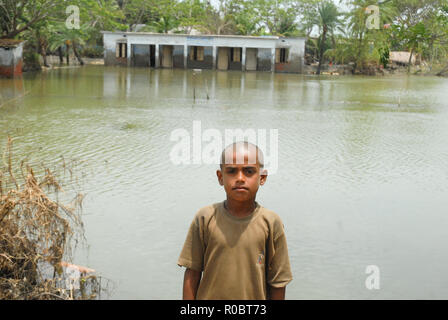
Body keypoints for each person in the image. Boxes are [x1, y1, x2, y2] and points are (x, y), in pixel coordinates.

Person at [177, 141, 292, 300]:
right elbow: (192, 272)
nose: (240, 178)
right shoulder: (205, 218)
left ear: (262, 177)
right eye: (231, 171)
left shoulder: (271, 223)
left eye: (249, 171)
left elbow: (278, 282)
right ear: (220, 177)